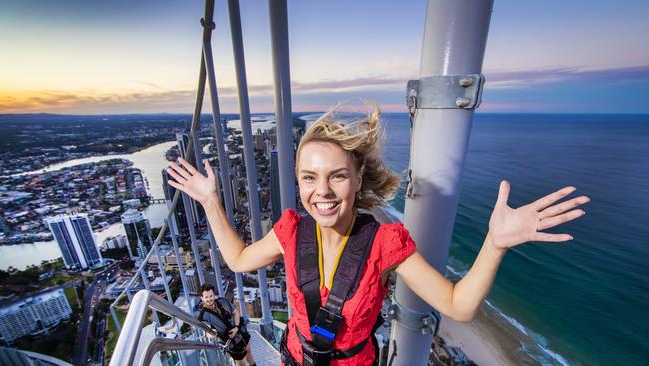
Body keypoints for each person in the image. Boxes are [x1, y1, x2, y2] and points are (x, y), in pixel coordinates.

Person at [166, 106, 590, 366]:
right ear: (298, 182)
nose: (323, 192)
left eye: (337, 177)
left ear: (357, 180)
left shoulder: (386, 243)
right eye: (309, 178)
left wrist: (494, 244)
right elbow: (239, 259)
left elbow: (458, 306)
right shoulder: (291, 230)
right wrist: (210, 202)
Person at [197, 284, 256, 366]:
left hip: (240, 331)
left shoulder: (223, 301)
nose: (209, 299)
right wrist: (213, 333)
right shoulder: (203, 316)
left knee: (248, 351)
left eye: (211, 296)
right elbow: (206, 333)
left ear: (214, 295)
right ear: (202, 298)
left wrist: (236, 327)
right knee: (240, 362)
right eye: (206, 297)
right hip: (229, 341)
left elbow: (235, 312)